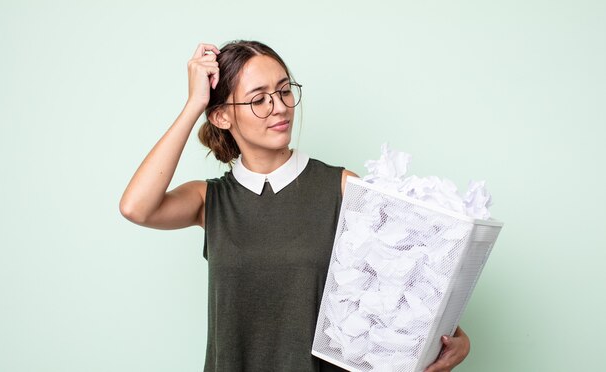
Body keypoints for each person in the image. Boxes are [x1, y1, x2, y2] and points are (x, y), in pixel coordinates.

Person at [119, 40, 470, 372]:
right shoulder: (209, 200)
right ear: (222, 117)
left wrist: (457, 339)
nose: (280, 107)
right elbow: (136, 207)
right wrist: (194, 103)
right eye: (259, 99)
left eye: (284, 90)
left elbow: (408, 279)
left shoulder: (344, 187)